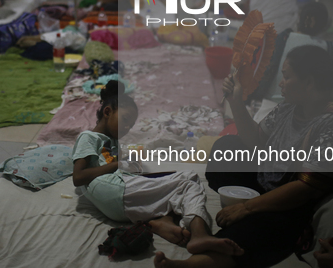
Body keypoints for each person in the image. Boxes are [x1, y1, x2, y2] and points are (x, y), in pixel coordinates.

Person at [155, 45, 333, 268]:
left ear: (309, 82)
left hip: (315, 199)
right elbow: (257, 142)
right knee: (228, 147)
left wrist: (248, 208)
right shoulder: (296, 104)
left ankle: (191, 264)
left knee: (261, 224)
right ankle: (258, 209)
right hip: (288, 179)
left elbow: (306, 188)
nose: (281, 83)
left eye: (287, 76)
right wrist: (237, 100)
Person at [73, 81, 244, 259]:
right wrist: (118, 164)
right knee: (187, 183)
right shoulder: (89, 137)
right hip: (113, 190)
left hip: (115, 201)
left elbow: (114, 168)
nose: (126, 128)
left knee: (181, 184)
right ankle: (200, 234)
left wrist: (130, 164)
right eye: (124, 120)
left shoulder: (112, 141)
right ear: (107, 112)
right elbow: (78, 177)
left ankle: (162, 222)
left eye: (130, 126)